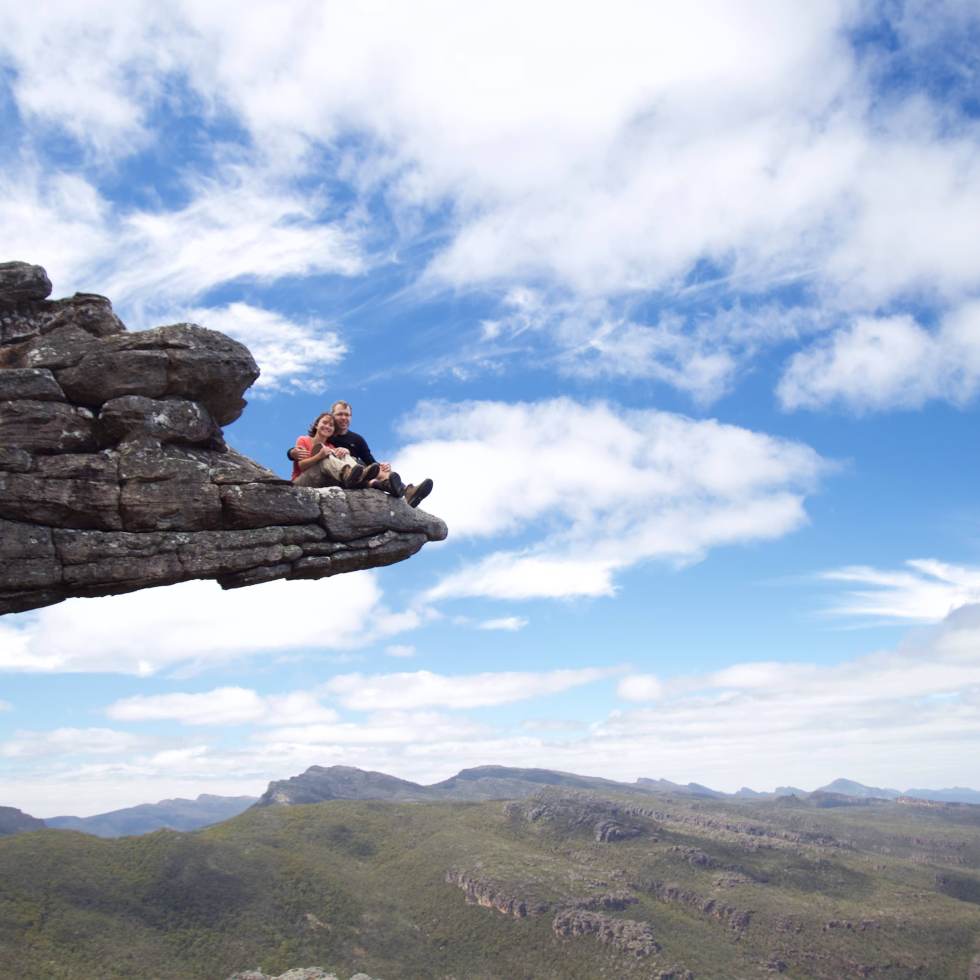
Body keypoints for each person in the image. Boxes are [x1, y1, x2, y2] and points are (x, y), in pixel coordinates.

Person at [288, 400, 434, 507]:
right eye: (339, 414)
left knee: (353, 459)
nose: (343, 418)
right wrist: (291, 453)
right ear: (331, 416)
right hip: (325, 474)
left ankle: (405, 490)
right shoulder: (318, 437)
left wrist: (382, 466)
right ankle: (360, 477)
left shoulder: (354, 440)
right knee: (336, 457)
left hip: (352, 473)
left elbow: (371, 462)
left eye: (347, 415)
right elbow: (300, 457)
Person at [291, 412, 380, 489]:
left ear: (333, 431)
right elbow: (301, 466)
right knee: (324, 460)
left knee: (342, 453)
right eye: (324, 423)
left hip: (322, 481)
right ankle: (348, 474)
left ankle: (359, 475)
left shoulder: (331, 446)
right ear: (316, 425)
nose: (327, 426)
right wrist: (319, 456)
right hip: (301, 481)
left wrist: (345, 451)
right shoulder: (303, 439)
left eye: (331, 425)